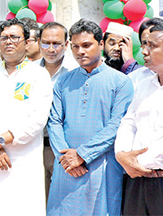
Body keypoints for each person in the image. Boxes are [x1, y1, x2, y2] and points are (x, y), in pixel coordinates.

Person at [47, 19, 134, 216]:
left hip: (101, 165)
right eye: (75, 46)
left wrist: (82, 155)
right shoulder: (64, 80)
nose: (80, 52)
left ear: (101, 44)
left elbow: (116, 125)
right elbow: (54, 121)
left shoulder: (121, 82)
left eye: (86, 45)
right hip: (66, 167)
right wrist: (64, 156)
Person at [0, 18, 52, 216]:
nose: (8, 42)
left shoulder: (38, 74)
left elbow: (37, 119)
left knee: (19, 207)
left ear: (27, 42)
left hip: (22, 158)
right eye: (3, 38)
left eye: (14, 37)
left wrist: (0, 140)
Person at [115, 20, 163, 215]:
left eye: (153, 46)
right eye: (144, 45)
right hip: (136, 182)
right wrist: (122, 154)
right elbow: (129, 122)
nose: (144, 52)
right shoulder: (141, 83)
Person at [35, 21, 77, 197]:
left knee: (64, 198)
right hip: (35, 146)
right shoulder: (29, 71)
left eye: (56, 44)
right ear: (38, 42)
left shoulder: (76, 71)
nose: (51, 49)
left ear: (66, 45)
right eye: (46, 43)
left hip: (64, 149)